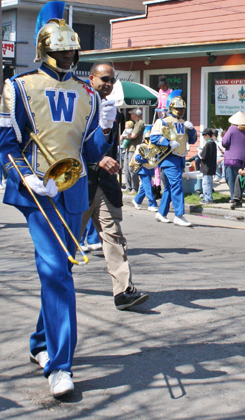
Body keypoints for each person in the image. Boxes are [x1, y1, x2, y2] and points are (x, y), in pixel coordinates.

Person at [0, 3, 115, 398]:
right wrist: (28, 177)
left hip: (75, 190)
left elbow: (88, 145)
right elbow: (7, 145)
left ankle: (40, 344)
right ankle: (60, 367)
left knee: (59, 272)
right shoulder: (19, 87)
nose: (68, 56)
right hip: (38, 190)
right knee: (57, 273)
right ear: (44, 49)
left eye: (72, 50)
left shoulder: (88, 94)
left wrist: (107, 148)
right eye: (61, 50)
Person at [83, 61, 149, 310]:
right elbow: (72, 143)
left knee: (113, 236)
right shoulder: (81, 106)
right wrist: (97, 158)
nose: (108, 84)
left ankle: (123, 291)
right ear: (91, 79)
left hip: (106, 183)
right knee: (68, 239)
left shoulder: (115, 110)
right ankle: (56, 282)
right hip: (81, 180)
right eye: (104, 80)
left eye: (111, 80)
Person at [151, 90, 197, 226]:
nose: (181, 111)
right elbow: (153, 137)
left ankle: (161, 213)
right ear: (172, 108)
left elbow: (192, 141)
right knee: (177, 185)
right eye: (178, 109)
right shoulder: (163, 121)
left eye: (182, 109)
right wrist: (168, 142)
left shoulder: (184, 122)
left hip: (180, 157)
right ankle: (179, 215)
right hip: (168, 158)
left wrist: (192, 130)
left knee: (170, 188)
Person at [221, 111, 245, 208]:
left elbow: (224, 142)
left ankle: (234, 198)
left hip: (232, 158)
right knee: (241, 179)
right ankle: (240, 197)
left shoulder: (232, 129)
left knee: (231, 179)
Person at [131, 125, 159, 211]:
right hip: (142, 169)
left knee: (144, 187)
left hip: (149, 169)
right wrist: (148, 159)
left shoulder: (153, 147)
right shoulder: (141, 146)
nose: (150, 140)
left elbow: (156, 156)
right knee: (148, 187)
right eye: (148, 138)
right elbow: (138, 158)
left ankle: (136, 200)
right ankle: (152, 204)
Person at [122, 108, 145, 193]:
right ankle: (128, 187)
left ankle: (135, 188)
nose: (131, 115)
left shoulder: (140, 123)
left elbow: (133, 135)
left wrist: (124, 136)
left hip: (134, 149)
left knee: (132, 168)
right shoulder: (132, 123)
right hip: (128, 148)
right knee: (126, 168)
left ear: (136, 114)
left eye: (132, 114)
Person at [194, 128, 218, 204]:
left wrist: (199, 152)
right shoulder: (213, 143)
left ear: (207, 135)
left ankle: (207, 199)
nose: (203, 137)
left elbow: (204, 156)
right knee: (209, 183)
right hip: (211, 166)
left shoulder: (208, 144)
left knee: (206, 183)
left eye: (204, 135)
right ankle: (207, 196)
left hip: (206, 167)